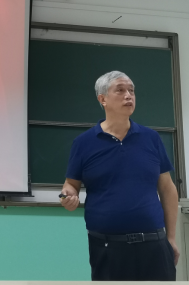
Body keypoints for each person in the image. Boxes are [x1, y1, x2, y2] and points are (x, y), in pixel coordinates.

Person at [61, 71, 179, 281]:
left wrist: (171, 238)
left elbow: (167, 189)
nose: (128, 95)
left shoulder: (151, 138)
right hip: (107, 246)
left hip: (154, 244)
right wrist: (68, 196)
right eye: (121, 90)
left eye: (132, 91)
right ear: (103, 99)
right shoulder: (84, 143)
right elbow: (71, 184)